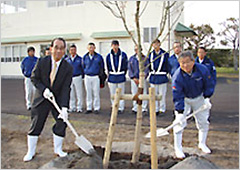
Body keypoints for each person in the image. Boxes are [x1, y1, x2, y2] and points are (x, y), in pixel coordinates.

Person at [23, 37, 73, 162]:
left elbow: (66, 88)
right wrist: (44, 90)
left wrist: (65, 108)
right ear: (51, 49)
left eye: (61, 48)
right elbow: (34, 78)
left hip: (58, 99)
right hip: (42, 97)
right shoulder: (42, 62)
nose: (58, 51)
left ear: (64, 50)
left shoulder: (67, 67)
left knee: (62, 122)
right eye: (56, 47)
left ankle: (58, 149)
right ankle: (31, 151)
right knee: (36, 123)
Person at [171, 51, 215, 159]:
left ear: (193, 61)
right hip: (185, 99)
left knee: (203, 121)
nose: (185, 65)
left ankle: (202, 143)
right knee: (179, 123)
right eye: (182, 63)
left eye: (187, 62)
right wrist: (180, 112)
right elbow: (178, 95)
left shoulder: (202, 70)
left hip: (199, 98)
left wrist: (207, 98)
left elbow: (209, 84)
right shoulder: (177, 76)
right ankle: (178, 148)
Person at [148, 39, 169, 115]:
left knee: (162, 94)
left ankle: (162, 109)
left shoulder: (165, 54)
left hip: (162, 76)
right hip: (153, 76)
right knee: (154, 94)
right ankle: (155, 109)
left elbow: (167, 65)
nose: (155, 46)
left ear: (160, 44)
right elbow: (149, 66)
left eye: (157, 44)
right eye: (154, 44)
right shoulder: (150, 54)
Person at [106, 40, 128, 114]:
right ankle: (114, 106)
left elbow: (125, 65)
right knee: (113, 93)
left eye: (116, 45)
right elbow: (108, 66)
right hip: (112, 76)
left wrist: (123, 73)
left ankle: (121, 107)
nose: (115, 47)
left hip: (120, 75)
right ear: (111, 46)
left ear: (118, 45)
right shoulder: (109, 56)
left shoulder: (123, 55)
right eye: (113, 45)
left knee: (121, 92)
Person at [82, 42, 105, 114]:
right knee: (88, 93)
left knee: (96, 92)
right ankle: (89, 107)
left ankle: (96, 107)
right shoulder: (85, 57)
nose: (91, 49)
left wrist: (101, 76)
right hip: (87, 76)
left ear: (94, 48)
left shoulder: (98, 57)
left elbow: (102, 67)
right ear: (87, 48)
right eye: (89, 47)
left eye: (92, 47)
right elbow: (83, 67)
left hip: (95, 76)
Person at [128, 45, 149, 114]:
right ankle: (135, 107)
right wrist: (133, 77)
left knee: (144, 92)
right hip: (134, 79)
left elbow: (147, 68)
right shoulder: (131, 59)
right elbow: (130, 69)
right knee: (134, 93)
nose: (137, 51)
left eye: (138, 49)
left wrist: (143, 77)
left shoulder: (145, 58)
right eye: (136, 49)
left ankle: (144, 108)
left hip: (142, 79)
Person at [66, 44, 84, 113]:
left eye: (74, 50)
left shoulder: (80, 59)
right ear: (69, 51)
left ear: (76, 50)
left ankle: (79, 107)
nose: (72, 51)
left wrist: (82, 77)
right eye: (71, 50)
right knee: (71, 93)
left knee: (79, 93)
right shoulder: (67, 59)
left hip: (77, 77)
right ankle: (72, 107)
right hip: (70, 78)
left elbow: (82, 68)